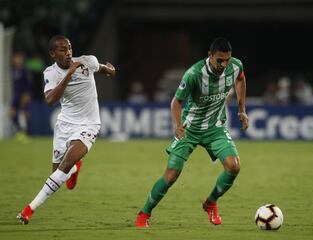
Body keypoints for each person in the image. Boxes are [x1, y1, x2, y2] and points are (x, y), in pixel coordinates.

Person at [135, 37, 249, 227]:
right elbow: (176, 102)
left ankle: (211, 203)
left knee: (234, 166)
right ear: (210, 55)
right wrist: (177, 124)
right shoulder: (194, 74)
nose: (224, 64)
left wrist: (242, 109)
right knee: (171, 174)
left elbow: (241, 79)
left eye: (227, 60)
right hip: (190, 129)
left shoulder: (235, 66)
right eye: (219, 60)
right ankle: (144, 214)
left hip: (215, 128)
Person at [17, 35, 116, 224]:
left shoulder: (87, 61)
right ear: (53, 54)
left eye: (69, 47)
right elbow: (49, 101)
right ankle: (75, 168)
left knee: (63, 168)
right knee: (56, 173)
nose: (68, 52)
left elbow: (103, 68)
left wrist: (110, 70)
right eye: (62, 49)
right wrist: (69, 74)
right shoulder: (51, 73)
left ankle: (29, 210)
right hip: (64, 126)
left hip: (89, 124)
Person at [9, 52, 33, 140]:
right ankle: (19, 131)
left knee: (26, 113)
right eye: (15, 58)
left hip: (24, 94)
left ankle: (29, 132)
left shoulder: (24, 70)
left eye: (19, 58)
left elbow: (29, 83)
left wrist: (27, 94)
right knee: (12, 112)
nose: (17, 60)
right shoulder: (13, 70)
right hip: (16, 94)